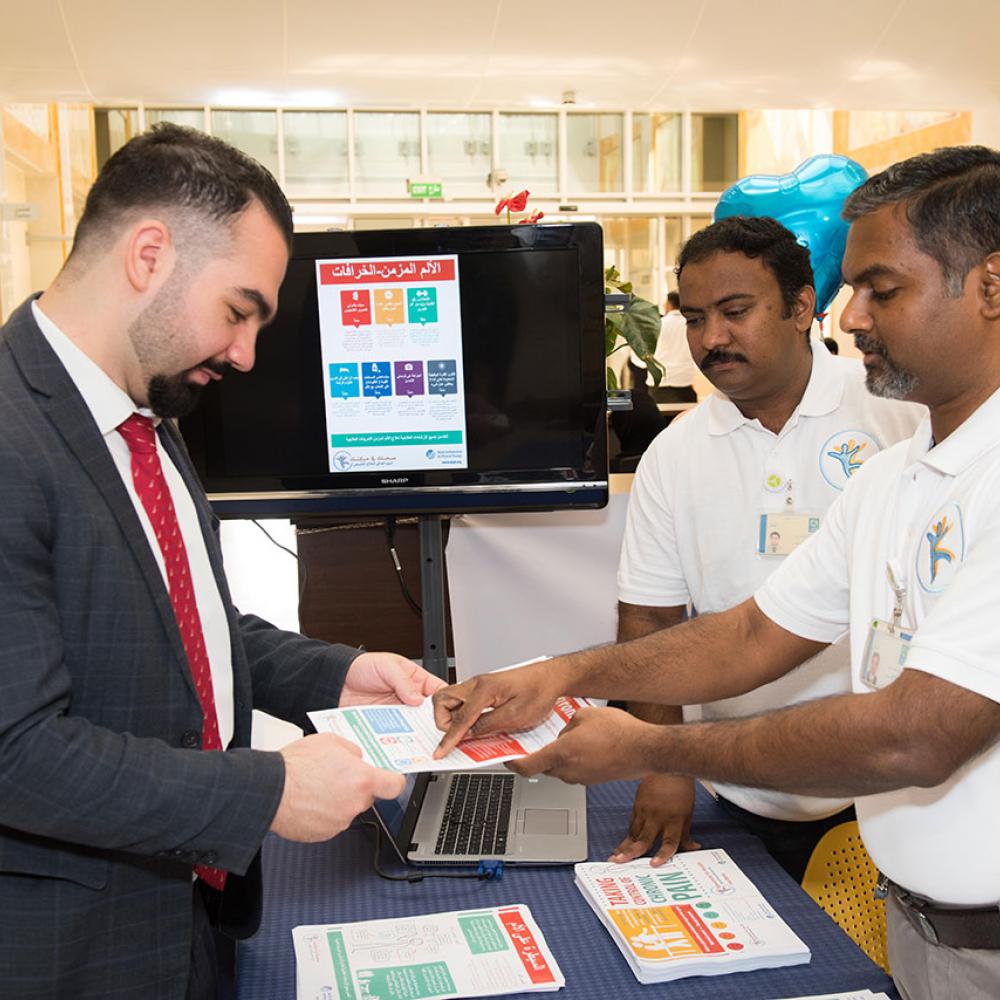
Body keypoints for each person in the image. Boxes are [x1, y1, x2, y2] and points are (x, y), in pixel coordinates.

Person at [432, 145, 1000, 1000]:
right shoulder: (897, 476)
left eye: (881, 290)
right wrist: (561, 674)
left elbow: (915, 734)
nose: (851, 317)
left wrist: (653, 746)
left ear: (992, 285)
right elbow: (751, 634)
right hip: (929, 930)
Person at [0, 124, 444, 1000]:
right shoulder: (12, 435)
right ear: (149, 255)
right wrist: (264, 792)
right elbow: (16, 752)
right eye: (239, 312)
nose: (244, 354)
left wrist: (335, 674)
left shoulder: (146, 418)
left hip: (191, 920)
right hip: (76, 952)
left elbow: (185, 625)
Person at [611, 216, 922, 881]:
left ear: (801, 307)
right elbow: (650, 619)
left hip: (895, 791)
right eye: (695, 318)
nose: (711, 338)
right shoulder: (674, 455)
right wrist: (665, 765)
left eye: (735, 311)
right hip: (733, 789)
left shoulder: (899, 416)